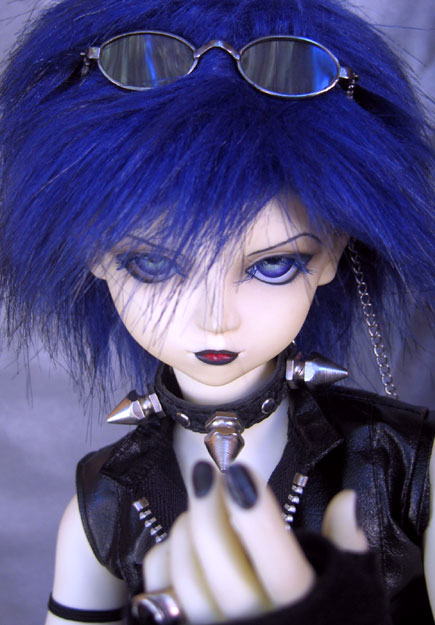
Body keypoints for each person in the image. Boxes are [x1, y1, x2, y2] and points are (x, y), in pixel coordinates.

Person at [0, 0, 433, 623]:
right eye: (153, 264)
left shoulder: (408, 468)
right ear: (93, 254)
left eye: (273, 264)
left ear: (333, 252)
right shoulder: (105, 505)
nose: (215, 318)